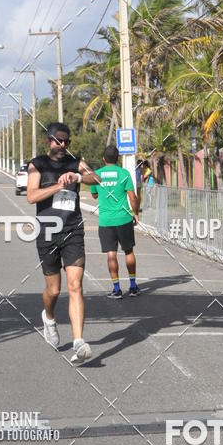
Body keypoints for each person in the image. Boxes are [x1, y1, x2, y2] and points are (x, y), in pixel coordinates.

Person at [27, 122, 99, 364]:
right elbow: (31, 196)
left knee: (75, 285)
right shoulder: (37, 164)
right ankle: (48, 317)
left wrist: (77, 176)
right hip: (48, 232)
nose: (63, 145)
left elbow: (96, 178)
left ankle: (79, 342)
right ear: (48, 141)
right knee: (54, 290)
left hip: (73, 230)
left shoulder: (75, 161)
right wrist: (58, 186)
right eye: (59, 141)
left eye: (67, 141)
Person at [91, 145, 140, 299]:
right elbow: (133, 197)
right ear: (117, 158)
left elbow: (94, 195)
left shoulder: (96, 175)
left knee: (111, 254)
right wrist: (135, 213)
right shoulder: (124, 173)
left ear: (103, 158)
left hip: (106, 221)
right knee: (129, 251)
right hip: (124, 218)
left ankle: (117, 289)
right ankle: (133, 287)